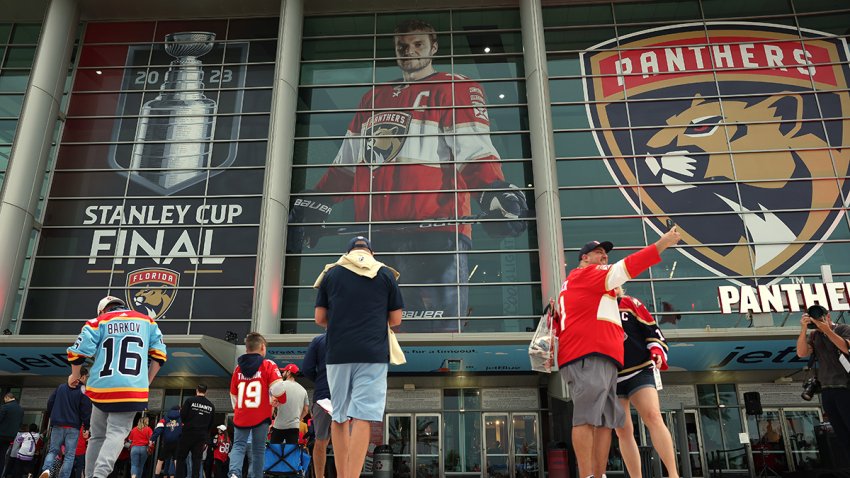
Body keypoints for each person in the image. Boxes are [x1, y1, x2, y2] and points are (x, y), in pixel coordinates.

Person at [289, 18, 528, 332]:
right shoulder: (372, 98)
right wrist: (317, 200)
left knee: (435, 332)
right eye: (402, 45)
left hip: (436, 235)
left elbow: (474, 150)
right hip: (377, 238)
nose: (409, 51)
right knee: (375, 331)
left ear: (434, 47)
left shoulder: (453, 86)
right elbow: (347, 166)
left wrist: (495, 190)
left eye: (417, 44)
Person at [555, 228, 681, 478]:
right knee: (593, 420)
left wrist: (655, 348)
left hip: (612, 363)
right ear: (585, 259)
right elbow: (628, 266)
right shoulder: (588, 276)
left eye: (605, 254)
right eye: (598, 252)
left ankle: (598, 474)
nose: (604, 257)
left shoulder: (610, 298)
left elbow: (650, 330)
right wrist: (662, 243)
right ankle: (589, 475)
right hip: (590, 356)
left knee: (606, 421)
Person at [314, 236, 403, 478]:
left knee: (340, 417)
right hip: (372, 353)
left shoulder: (331, 274)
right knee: (363, 418)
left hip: (337, 352)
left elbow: (320, 318)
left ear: (349, 251)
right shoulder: (385, 274)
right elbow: (396, 320)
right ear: (370, 252)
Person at [67, 295, 167, 478]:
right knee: (117, 433)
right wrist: (147, 381)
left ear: (103, 310)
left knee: (97, 436)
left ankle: (90, 476)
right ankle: (100, 475)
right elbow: (160, 356)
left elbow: (77, 353)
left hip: (101, 389)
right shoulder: (147, 322)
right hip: (131, 389)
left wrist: (74, 375)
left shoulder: (97, 321)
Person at [612, 288, 679, 478]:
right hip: (610, 375)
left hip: (639, 368)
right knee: (622, 430)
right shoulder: (593, 308)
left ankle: (673, 474)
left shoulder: (630, 303)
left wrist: (656, 351)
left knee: (653, 415)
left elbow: (652, 330)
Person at [228, 332, 286, 478]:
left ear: (246, 349)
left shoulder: (237, 369)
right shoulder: (268, 364)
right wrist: (280, 399)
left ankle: (234, 472)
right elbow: (278, 388)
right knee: (258, 449)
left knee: (238, 445)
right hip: (261, 414)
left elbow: (233, 394)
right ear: (262, 347)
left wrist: (238, 409)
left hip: (242, 415)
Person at [796, 305, 850, 454]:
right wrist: (803, 329)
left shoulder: (843, 329)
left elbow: (846, 347)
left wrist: (826, 329)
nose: (818, 320)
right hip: (827, 388)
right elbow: (801, 353)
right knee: (841, 433)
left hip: (845, 386)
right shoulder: (814, 336)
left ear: (828, 316)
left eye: (820, 316)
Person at [40, 366, 93, 478]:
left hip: (57, 424)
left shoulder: (61, 387)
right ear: (82, 377)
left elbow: (50, 402)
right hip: (73, 427)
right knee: (69, 455)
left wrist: (53, 415)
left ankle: (46, 470)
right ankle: (63, 476)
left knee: (53, 451)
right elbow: (86, 410)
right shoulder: (82, 391)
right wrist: (87, 427)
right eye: (86, 377)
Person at [301, 333, 330, 478]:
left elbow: (307, 368)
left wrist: (320, 379)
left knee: (321, 440)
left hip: (323, 395)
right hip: (345, 396)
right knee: (345, 439)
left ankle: (319, 476)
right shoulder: (352, 337)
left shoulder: (319, 340)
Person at [176, 385, 215, 478]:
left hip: (188, 433)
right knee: (197, 460)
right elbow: (211, 423)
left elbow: (182, 415)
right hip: (201, 436)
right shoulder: (211, 406)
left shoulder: (190, 401)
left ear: (196, 390)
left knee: (181, 458)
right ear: (206, 392)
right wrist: (206, 436)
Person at [269, 365, 308, 445]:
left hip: (279, 426)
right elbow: (306, 410)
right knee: (291, 453)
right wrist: (298, 420)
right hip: (294, 427)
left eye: (284, 372)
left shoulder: (280, 386)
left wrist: (270, 421)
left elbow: (272, 404)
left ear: (289, 372)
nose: (282, 374)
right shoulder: (303, 390)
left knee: (274, 452)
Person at [150, 406, 182, 478]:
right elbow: (185, 430)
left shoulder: (164, 418)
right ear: (178, 410)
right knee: (176, 461)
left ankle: (156, 476)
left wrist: (152, 439)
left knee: (160, 461)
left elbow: (158, 429)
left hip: (167, 443)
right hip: (177, 443)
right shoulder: (181, 419)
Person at [0, 393, 24, 477]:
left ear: (7, 397)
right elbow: (20, 423)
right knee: (3, 456)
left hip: (1, 434)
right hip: (11, 436)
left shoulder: (5, 407)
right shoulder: (20, 409)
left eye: (4, 399)